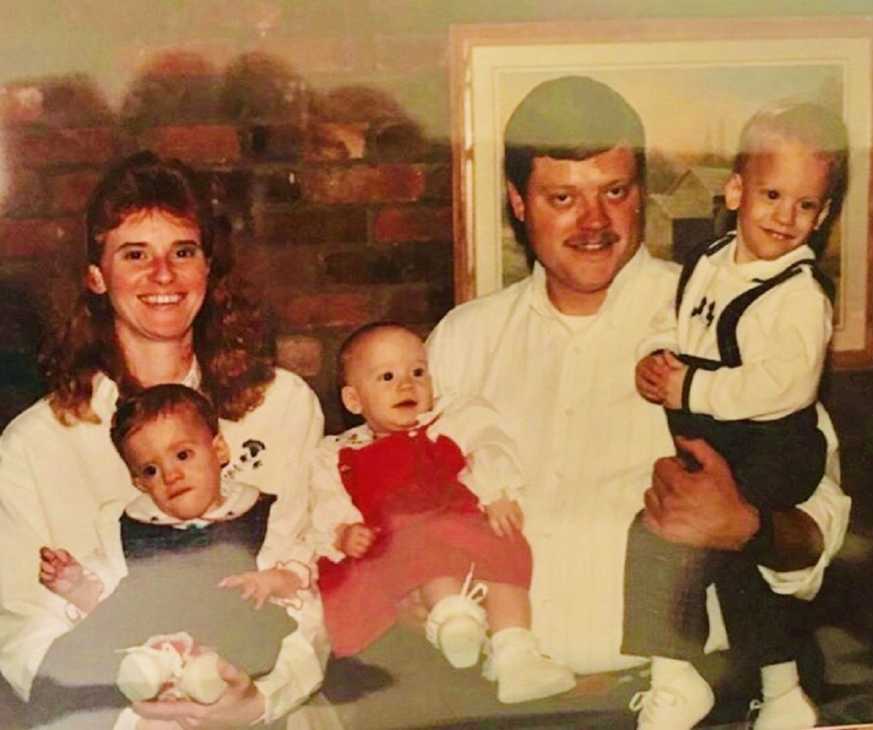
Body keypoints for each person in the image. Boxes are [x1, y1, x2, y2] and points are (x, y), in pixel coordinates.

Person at [425, 76, 850, 723]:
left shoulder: (718, 310)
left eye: (615, 192)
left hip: (679, 704)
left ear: (639, 194)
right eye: (563, 197)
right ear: (517, 201)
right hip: (492, 699)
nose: (594, 223)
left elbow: (816, 523)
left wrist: (749, 527)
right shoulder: (462, 340)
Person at [0, 151, 327, 729]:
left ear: (208, 269)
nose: (163, 276)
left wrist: (260, 700)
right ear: (96, 277)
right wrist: (137, 719)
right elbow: (20, 634)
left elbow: (305, 580)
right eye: (135, 255)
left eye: (183, 251)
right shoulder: (33, 445)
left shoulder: (282, 406)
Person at [623, 102, 848, 730]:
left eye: (806, 205)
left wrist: (690, 387)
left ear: (823, 214)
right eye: (773, 195)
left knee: (662, 536)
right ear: (736, 190)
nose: (786, 216)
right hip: (718, 439)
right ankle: (783, 695)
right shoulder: (709, 260)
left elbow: (785, 386)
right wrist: (654, 356)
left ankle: (674, 676)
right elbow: (676, 321)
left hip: (774, 445)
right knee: (740, 571)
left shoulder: (799, 295)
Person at [308, 322, 575, 703]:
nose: (407, 385)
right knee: (422, 548)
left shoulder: (450, 420)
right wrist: (341, 532)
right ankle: (453, 619)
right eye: (387, 376)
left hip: (465, 525)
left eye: (418, 372)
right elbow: (323, 499)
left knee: (506, 546)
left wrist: (496, 491)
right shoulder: (338, 454)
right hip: (403, 542)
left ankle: (516, 652)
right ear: (353, 400)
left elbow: (488, 443)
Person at [36, 384, 309, 727]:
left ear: (219, 449)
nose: (170, 475)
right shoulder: (127, 527)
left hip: (235, 636)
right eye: (151, 470)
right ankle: (148, 680)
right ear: (138, 483)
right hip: (149, 641)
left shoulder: (260, 514)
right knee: (72, 666)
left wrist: (275, 580)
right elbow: (111, 607)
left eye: (182, 455)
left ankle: (205, 679)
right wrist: (77, 586)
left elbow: (300, 578)